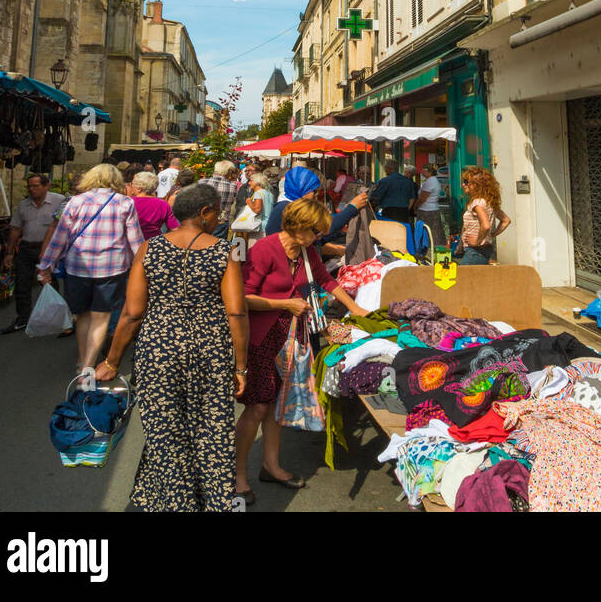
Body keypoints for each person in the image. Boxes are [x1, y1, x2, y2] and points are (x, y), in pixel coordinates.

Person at [96, 183, 249, 513]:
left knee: (166, 431)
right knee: (212, 431)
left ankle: (174, 502)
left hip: (158, 350)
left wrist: (112, 360)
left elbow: (132, 312)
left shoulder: (150, 249)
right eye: (216, 212)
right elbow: (236, 311)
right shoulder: (227, 250)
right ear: (205, 213)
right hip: (210, 350)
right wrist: (241, 366)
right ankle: (212, 503)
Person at [235, 197, 369, 502]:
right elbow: (242, 297)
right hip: (262, 337)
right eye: (315, 231)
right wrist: (284, 303)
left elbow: (325, 281)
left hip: (292, 336)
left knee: (276, 404)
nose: (319, 237)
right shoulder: (265, 249)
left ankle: (271, 465)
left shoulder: (307, 251)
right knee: (256, 407)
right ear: (298, 228)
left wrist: (356, 308)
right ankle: (238, 475)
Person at [37, 164, 144, 373]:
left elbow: (61, 235)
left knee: (83, 315)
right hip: (111, 268)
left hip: (78, 267)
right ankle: (88, 365)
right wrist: (144, 267)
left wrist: (46, 265)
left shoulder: (76, 201)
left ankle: (81, 360)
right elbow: (135, 241)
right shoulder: (124, 202)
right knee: (101, 317)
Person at [0, 173, 66, 334]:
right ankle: (22, 319)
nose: (32, 189)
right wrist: (9, 253)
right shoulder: (24, 205)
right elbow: (16, 229)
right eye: (29, 186)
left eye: (36, 186)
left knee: (50, 284)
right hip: (26, 249)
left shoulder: (59, 200)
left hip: (50, 251)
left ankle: (56, 319)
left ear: (46, 186)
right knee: (22, 285)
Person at [264, 166, 368, 243]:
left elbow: (317, 237)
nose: (316, 196)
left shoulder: (291, 205)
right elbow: (325, 230)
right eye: (314, 192)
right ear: (303, 189)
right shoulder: (287, 209)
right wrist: (353, 207)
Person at [458, 167, 511, 265]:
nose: (463, 184)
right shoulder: (488, 202)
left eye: (466, 182)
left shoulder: (477, 203)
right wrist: (490, 235)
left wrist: (477, 242)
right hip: (484, 250)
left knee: (464, 279)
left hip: (475, 251)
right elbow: (506, 220)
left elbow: (486, 225)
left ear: (476, 185)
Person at [131, 171, 180, 239]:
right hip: (155, 243)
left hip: (132, 242)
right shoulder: (162, 204)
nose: (131, 186)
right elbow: (175, 229)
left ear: (139, 189)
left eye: (132, 184)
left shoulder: (127, 202)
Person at [369, 159, 417, 227]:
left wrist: (372, 192)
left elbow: (377, 196)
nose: (385, 170)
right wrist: (407, 209)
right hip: (403, 211)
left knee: (390, 232)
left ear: (389, 169)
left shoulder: (385, 181)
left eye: (385, 168)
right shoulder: (407, 181)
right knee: (402, 232)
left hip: (390, 211)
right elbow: (412, 198)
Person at [415, 164, 445, 247]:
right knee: (434, 232)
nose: (422, 172)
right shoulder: (431, 181)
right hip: (431, 209)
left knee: (428, 232)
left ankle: (427, 249)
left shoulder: (430, 182)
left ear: (429, 172)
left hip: (427, 210)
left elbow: (422, 198)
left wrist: (415, 206)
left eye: (424, 171)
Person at [206, 160, 238, 237]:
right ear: (228, 172)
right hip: (221, 222)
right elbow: (233, 201)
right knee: (220, 247)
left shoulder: (204, 182)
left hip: (205, 220)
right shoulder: (232, 186)